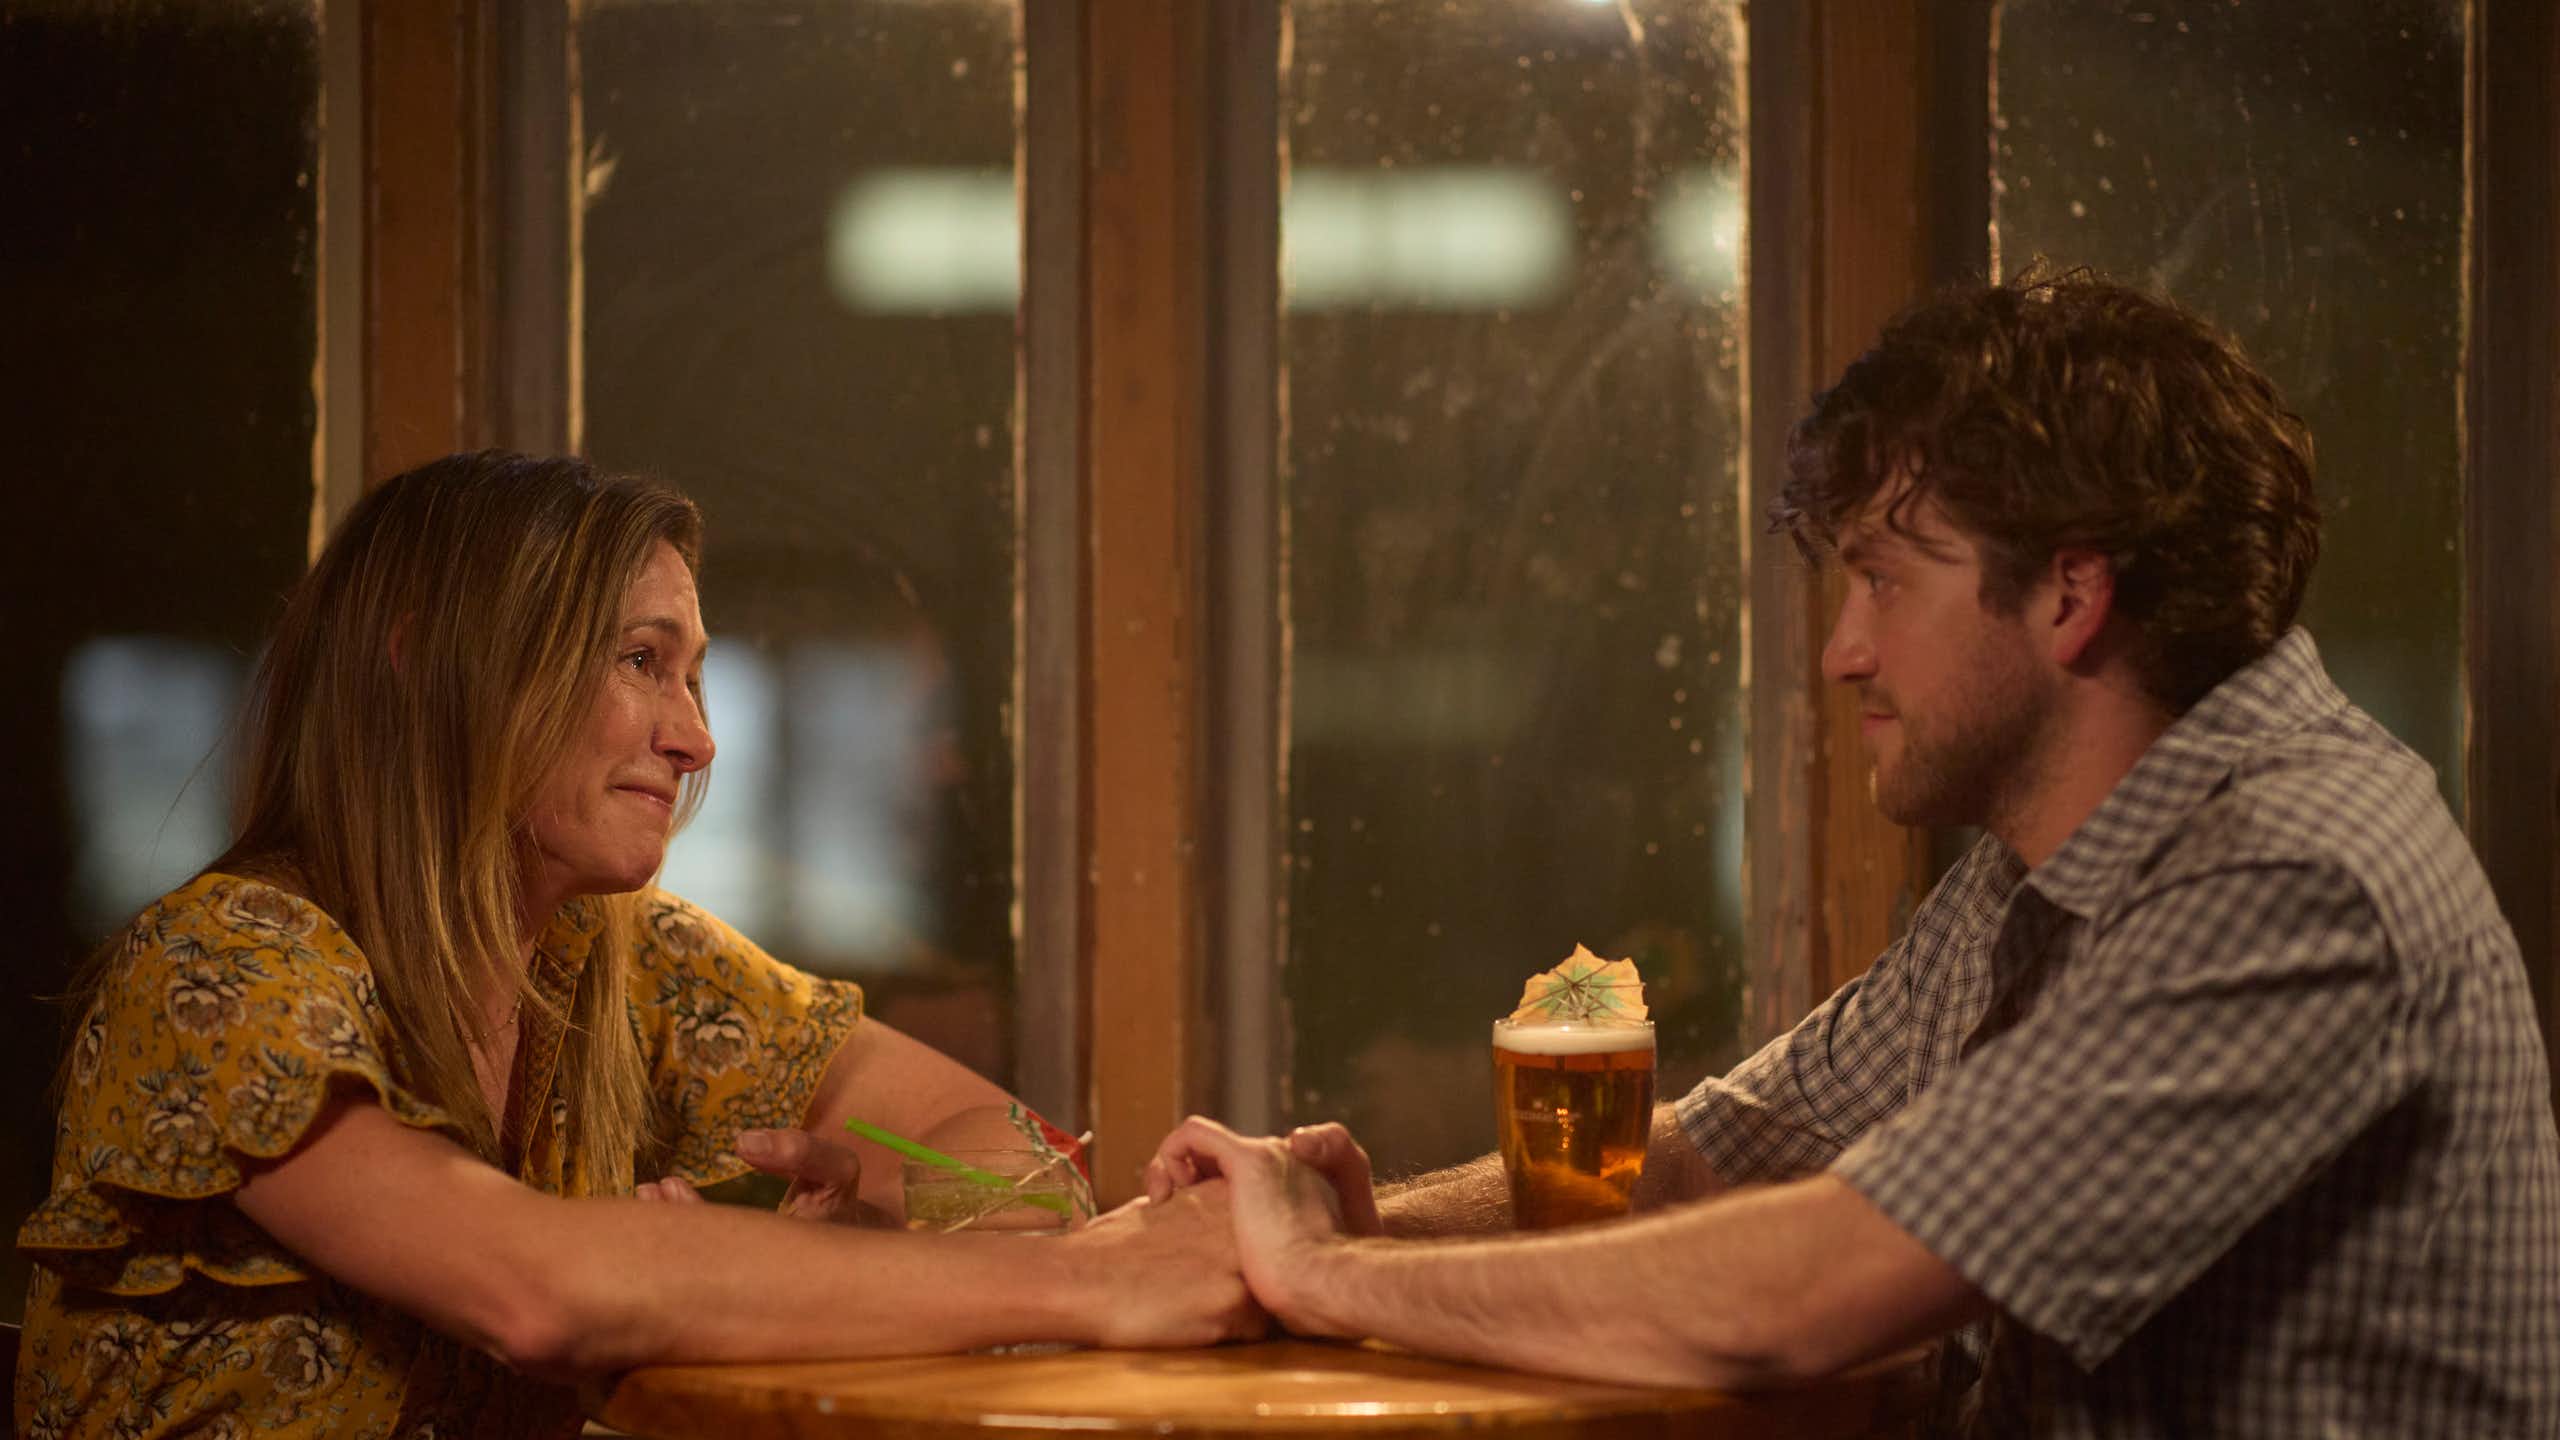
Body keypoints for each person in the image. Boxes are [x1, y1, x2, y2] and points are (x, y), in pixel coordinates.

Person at [1148, 275, 2560, 1435]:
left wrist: (1327, 1279)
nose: (1842, 652)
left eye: (1886, 578)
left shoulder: (2295, 878)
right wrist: (1367, 1229)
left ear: (2070, 593)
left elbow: (1805, 1291)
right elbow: (1721, 1158)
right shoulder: (2047, 861)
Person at [13, 451, 1255, 1440]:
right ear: (423, 663)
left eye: (695, 678)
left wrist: (915, 1241)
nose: (696, 740)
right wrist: (1093, 1288)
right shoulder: (220, 965)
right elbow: (535, 1288)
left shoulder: (625, 951)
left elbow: (1020, 1158)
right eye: (639, 660)